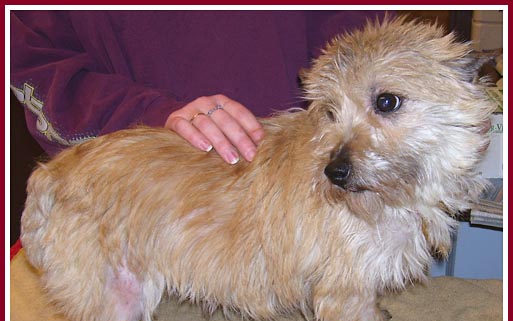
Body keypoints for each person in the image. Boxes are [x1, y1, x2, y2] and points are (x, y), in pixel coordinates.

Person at [11, 10, 387, 164]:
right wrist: (151, 117)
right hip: (140, 209)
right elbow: (39, 63)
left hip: (307, 190)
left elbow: (358, 41)